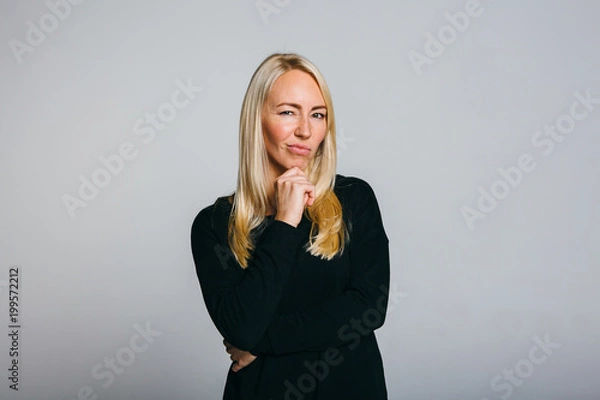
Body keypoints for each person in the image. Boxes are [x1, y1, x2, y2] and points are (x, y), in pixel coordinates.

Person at [190, 53, 390, 399]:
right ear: (256, 119)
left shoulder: (354, 199)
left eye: (317, 115)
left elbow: (368, 307)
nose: (305, 130)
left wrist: (260, 343)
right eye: (287, 112)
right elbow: (241, 324)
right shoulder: (213, 224)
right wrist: (285, 221)